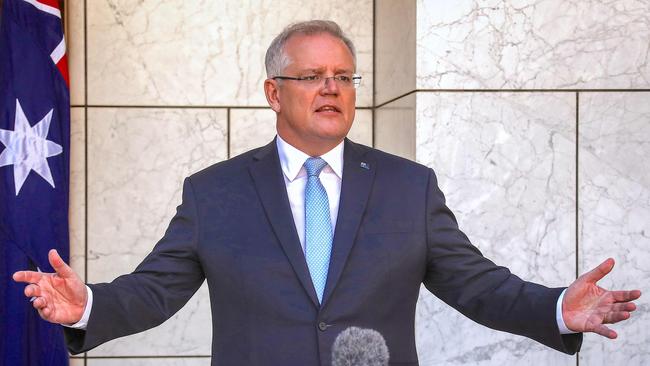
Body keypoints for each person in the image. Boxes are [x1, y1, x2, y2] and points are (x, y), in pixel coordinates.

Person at [12, 20, 641, 366]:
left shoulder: (407, 187)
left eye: (343, 75)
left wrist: (558, 308)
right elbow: (156, 290)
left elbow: (476, 283)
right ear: (272, 92)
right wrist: (89, 305)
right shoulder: (214, 194)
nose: (331, 88)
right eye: (311, 76)